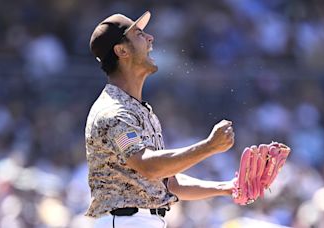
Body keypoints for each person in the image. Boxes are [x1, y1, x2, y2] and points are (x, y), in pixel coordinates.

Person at [85, 11, 236, 228]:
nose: (150, 38)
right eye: (139, 34)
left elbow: (168, 181)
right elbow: (148, 166)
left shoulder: (139, 110)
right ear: (121, 50)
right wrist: (209, 147)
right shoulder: (113, 112)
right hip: (124, 221)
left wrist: (226, 187)